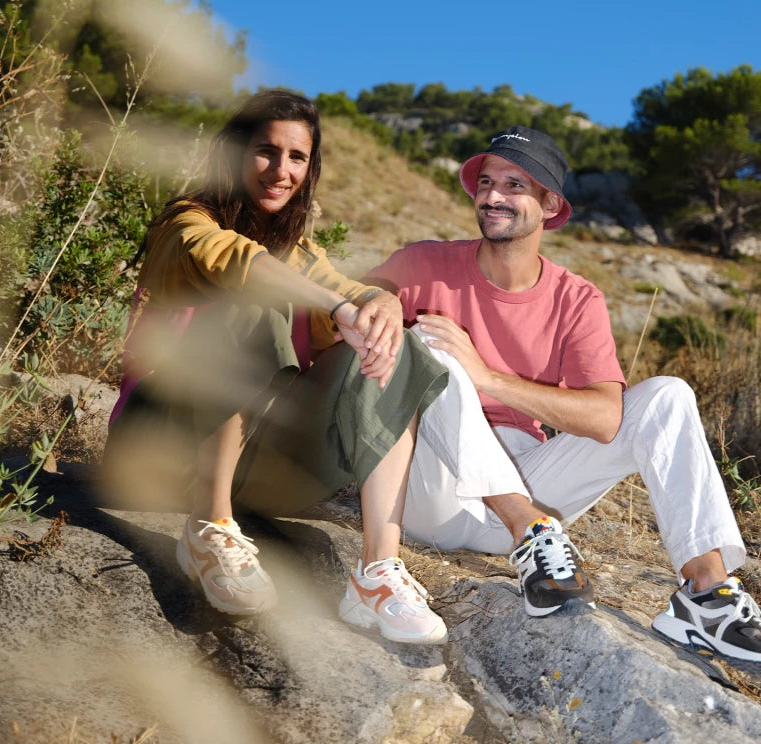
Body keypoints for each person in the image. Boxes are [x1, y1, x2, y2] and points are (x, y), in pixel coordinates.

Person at [365, 125, 761, 662]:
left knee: (667, 394)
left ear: (550, 204)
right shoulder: (423, 263)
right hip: (434, 492)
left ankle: (706, 595)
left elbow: (603, 420)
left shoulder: (577, 299)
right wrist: (383, 297)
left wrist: (489, 377)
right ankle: (528, 531)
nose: (493, 196)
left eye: (514, 185)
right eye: (486, 182)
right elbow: (358, 298)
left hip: (535, 479)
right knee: (429, 345)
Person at [102, 89, 449, 645]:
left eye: (297, 157)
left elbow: (348, 289)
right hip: (157, 448)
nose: (280, 170)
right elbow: (235, 262)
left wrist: (378, 303)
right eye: (266, 150)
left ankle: (376, 574)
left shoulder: (299, 251)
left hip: (257, 465)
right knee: (254, 296)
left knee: (397, 343)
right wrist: (338, 306)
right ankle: (208, 529)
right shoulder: (185, 225)